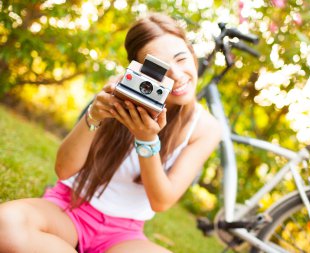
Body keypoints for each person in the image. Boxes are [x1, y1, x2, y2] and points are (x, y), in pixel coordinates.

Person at [0, 13, 221, 253]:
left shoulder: (205, 128)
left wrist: (146, 139)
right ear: (139, 72)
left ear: (192, 55)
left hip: (123, 235)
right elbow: (63, 169)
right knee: (6, 226)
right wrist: (93, 115)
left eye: (181, 59)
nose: (177, 76)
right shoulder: (119, 90)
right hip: (70, 208)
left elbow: (161, 200)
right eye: (161, 69)